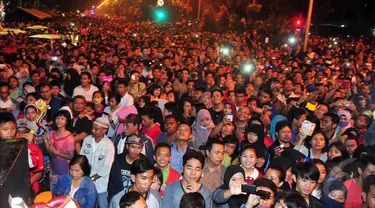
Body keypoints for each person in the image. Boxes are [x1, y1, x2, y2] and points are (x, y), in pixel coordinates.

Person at [80, 117, 115, 208]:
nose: (93, 130)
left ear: (104, 130)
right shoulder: (87, 140)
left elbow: (107, 167)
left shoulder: (108, 145)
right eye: (92, 128)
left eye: (96, 129)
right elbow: (82, 158)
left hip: (100, 183)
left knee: (102, 205)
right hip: (86, 179)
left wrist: (92, 178)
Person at [108, 134, 147, 203]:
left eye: (139, 148)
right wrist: (111, 199)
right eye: (133, 147)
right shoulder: (118, 161)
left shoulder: (144, 162)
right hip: (119, 199)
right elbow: (112, 183)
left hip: (137, 201)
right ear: (127, 146)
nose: (136, 150)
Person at [46, 109, 75, 189]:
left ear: (67, 121)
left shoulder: (69, 138)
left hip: (63, 169)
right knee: (53, 191)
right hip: (53, 167)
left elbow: (70, 156)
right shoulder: (52, 133)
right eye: (57, 118)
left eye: (62, 119)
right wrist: (46, 141)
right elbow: (49, 150)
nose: (59, 121)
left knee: (62, 192)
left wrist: (56, 152)